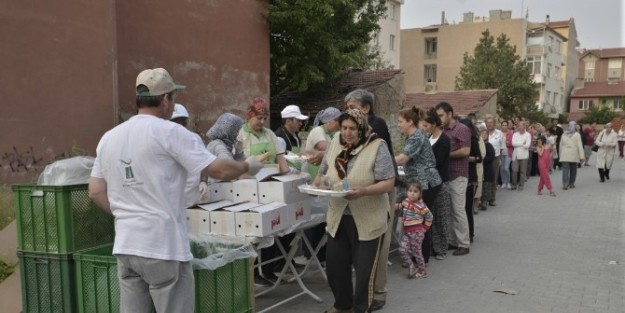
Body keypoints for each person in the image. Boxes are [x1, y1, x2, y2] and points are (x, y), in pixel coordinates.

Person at [88, 68, 262, 313]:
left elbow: (95, 191)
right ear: (166, 100)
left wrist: (125, 215)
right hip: (162, 246)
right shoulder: (171, 132)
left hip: (126, 245)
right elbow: (219, 170)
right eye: (173, 97)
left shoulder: (110, 137)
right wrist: (247, 165)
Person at [313, 108, 395, 313]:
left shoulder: (377, 145)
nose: (347, 133)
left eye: (352, 128)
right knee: (335, 266)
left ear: (361, 128)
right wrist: (319, 184)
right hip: (339, 216)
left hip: (368, 217)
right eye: (343, 128)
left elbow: (389, 182)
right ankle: (343, 305)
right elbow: (323, 172)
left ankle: (360, 308)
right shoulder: (334, 143)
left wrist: (365, 191)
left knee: (364, 270)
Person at [343, 89, 397, 311]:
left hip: (378, 190)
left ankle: (379, 292)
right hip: (357, 193)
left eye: (352, 106)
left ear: (365, 108)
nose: (348, 111)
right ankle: (359, 294)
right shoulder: (350, 127)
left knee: (378, 245)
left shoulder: (378, 124)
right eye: (346, 108)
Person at [235, 97, 290, 286]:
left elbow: (281, 158)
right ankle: (253, 272)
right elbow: (237, 162)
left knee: (272, 227)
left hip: (271, 184)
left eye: (264, 118)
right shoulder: (240, 134)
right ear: (249, 115)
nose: (261, 122)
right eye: (258, 118)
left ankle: (268, 269)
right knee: (256, 230)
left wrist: (287, 175)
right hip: (249, 186)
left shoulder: (269, 134)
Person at [395, 106, 442, 264]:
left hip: (425, 183)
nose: (398, 124)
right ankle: (420, 255)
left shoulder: (415, 137)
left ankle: (419, 258)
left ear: (410, 122)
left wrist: (380, 158)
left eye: (400, 121)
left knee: (418, 221)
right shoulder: (418, 134)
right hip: (426, 182)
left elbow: (402, 159)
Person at [295, 107, 341, 267]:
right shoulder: (317, 131)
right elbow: (324, 146)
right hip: (314, 177)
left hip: (325, 180)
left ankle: (321, 253)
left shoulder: (333, 134)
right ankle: (310, 252)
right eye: (337, 121)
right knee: (313, 216)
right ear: (329, 121)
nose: (339, 124)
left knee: (321, 216)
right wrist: (339, 144)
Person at [435, 102, 471, 256]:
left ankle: (464, 244)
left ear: (450, 114)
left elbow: (465, 151)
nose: (439, 118)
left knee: (458, 210)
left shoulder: (461, 129)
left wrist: (445, 155)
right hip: (446, 175)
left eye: (441, 115)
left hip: (458, 174)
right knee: (449, 210)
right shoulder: (441, 131)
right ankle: (453, 241)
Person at [421, 108, 451, 260]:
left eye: (426, 125)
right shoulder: (427, 138)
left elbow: (436, 162)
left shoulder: (444, 140)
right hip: (427, 183)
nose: (424, 128)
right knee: (429, 216)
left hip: (440, 182)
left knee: (440, 216)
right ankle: (431, 247)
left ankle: (441, 248)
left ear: (433, 124)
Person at [397, 181, 433, 279]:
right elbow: (399, 206)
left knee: (417, 252)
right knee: (402, 249)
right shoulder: (406, 201)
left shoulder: (422, 206)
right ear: (407, 191)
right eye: (410, 191)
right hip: (407, 232)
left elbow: (430, 216)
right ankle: (411, 265)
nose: (412, 193)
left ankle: (423, 271)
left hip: (417, 233)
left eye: (415, 191)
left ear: (420, 194)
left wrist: (425, 228)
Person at [458, 118, 480, 242]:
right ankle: (461, 233)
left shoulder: (473, 141)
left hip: (470, 176)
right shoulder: (459, 141)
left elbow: (479, 158)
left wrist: (466, 157)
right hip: (460, 175)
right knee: (459, 208)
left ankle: (470, 234)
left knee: (467, 207)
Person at [275, 104, 309, 171]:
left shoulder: (296, 137)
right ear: (288, 121)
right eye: (298, 121)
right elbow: (278, 162)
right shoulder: (279, 137)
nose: (301, 124)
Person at [559, 121, 585, 189]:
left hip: (565, 154)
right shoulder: (577, 135)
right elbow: (580, 146)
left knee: (565, 170)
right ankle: (571, 183)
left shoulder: (564, 134)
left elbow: (561, 145)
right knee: (573, 170)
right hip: (574, 154)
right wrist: (582, 156)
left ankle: (565, 184)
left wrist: (560, 154)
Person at [485, 116, 504, 204]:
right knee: (484, 178)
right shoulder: (483, 133)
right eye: (487, 123)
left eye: (491, 122)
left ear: (494, 123)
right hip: (484, 159)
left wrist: (499, 159)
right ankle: (484, 198)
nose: (489, 124)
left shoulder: (499, 133)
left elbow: (501, 147)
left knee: (494, 178)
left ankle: (492, 198)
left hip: (495, 158)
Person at [511, 121, 531, 191]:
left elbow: (527, 145)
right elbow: (513, 144)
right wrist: (522, 143)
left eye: (521, 125)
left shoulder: (528, 135)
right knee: (514, 170)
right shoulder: (515, 134)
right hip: (516, 154)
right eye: (518, 125)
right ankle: (513, 184)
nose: (520, 127)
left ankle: (521, 185)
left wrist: (518, 144)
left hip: (524, 155)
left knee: (522, 171)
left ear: (524, 126)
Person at [479, 127, 496, 211]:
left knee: (487, 185)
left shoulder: (488, 145)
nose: (484, 135)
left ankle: (486, 201)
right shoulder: (478, 144)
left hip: (487, 168)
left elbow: (491, 156)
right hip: (479, 168)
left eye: (485, 134)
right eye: (482, 134)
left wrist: (481, 161)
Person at [501, 120, 514, 189]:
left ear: (507, 126)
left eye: (505, 125)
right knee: (502, 168)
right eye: (503, 125)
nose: (504, 126)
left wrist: (508, 142)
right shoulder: (499, 133)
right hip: (501, 153)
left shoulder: (510, 133)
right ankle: (503, 182)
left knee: (506, 168)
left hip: (508, 153)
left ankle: (508, 182)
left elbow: (512, 143)